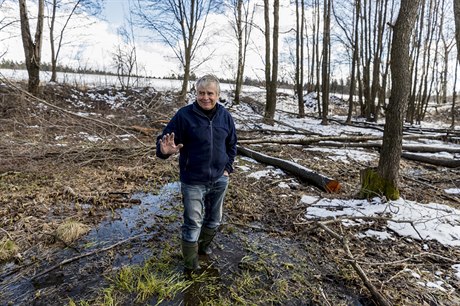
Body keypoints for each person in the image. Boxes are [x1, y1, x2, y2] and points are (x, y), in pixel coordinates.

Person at [156, 74, 237, 271]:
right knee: (193, 222)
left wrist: (227, 169)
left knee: (214, 219)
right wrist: (164, 151)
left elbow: (232, 144)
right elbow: (165, 141)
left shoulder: (225, 116)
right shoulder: (184, 115)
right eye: (201, 93)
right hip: (193, 180)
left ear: (217, 95)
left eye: (210, 93)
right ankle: (191, 265)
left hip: (219, 178)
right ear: (196, 93)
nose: (205, 97)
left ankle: (203, 247)